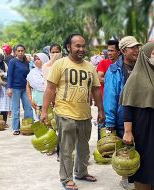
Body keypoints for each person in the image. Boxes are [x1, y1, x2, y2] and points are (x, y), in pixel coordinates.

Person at [41, 34, 105, 190]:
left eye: (83, 46)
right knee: (66, 149)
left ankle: (81, 172)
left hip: (84, 114)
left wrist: (101, 110)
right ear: (68, 47)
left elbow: (96, 89)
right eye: (77, 46)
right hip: (64, 113)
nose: (81, 49)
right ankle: (66, 178)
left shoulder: (90, 66)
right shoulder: (60, 64)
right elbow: (50, 88)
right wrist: (44, 110)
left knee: (83, 149)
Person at [122, 42, 154, 190]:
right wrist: (128, 131)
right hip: (144, 129)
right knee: (144, 167)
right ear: (145, 56)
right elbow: (128, 106)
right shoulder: (136, 77)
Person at [103, 36, 141, 189]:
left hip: (142, 117)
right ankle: (126, 180)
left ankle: (138, 180)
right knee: (126, 150)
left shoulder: (142, 67)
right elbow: (111, 97)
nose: (136, 50)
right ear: (123, 50)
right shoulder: (114, 70)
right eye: (133, 48)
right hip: (122, 118)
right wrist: (110, 122)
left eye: (137, 47)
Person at [7, 44, 33, 135]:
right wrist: (9, 88)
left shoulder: (26, 62)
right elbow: (9, 75)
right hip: (15, 88)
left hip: (25, 88)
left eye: (22, 51)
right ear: (15, 52)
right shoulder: (12, 61)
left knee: (28, 107)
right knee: (16, 108)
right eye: (19, 51)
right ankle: (16, 128)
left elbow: (28, 75)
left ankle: (29, 126)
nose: (21, 52)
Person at [26, 53, 49, 120]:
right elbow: (28, 86)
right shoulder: (32, 72)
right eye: (35, 59)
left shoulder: (50, 71)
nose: (36, 61)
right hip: (37, 100)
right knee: (40, 120)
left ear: (44, 59)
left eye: (38, 59)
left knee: (50, 120)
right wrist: (30, 100)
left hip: (49, 100)